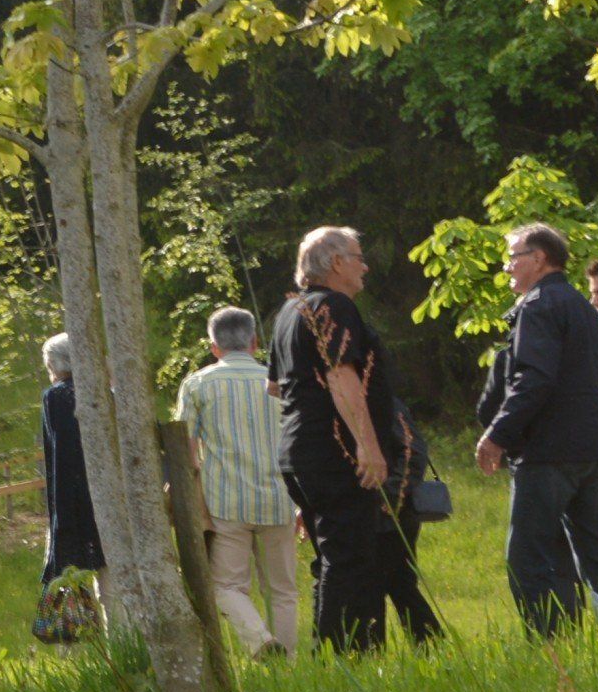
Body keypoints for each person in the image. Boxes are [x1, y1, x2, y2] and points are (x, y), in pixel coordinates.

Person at [273, 225, 444, 654]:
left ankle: (350, 655)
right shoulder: (334, 305)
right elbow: (340, 375)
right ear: (335, 263)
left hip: (302, 454)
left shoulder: (289, 313)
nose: (365, 265)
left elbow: (276, 388)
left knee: (342, 556)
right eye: (357, 256)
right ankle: (344, 658)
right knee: (352, 560)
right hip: (336, 453)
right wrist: (368, 446)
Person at [474, 220, 598, 633]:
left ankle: (552, 646)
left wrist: (497, 435)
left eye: (512, 257)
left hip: (548, 454)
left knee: (532, 557)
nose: (507, 267)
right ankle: (592, 649)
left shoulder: (539, 305)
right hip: (594, 453)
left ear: (539, 259)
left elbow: (533, 378)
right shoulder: (586, 310)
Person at [175, 309, 300, 656]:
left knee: (227, 586)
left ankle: (260, 642)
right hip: (279, 498)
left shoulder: (198, 385)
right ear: (255, 342)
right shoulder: (280, 383)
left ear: (214, 346)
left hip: (225, 501)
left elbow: (184, 449)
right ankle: (287, 664)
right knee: (283, 590)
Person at [36, 335, 106, 643]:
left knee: (69, 571)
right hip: (104, 494)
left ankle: (75, 638)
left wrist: (58, 513)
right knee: (109, 575)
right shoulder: (103, 392)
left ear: (53, 364)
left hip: (72, 497)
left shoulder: (56, 397)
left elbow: (59, 454)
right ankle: (119, 636)